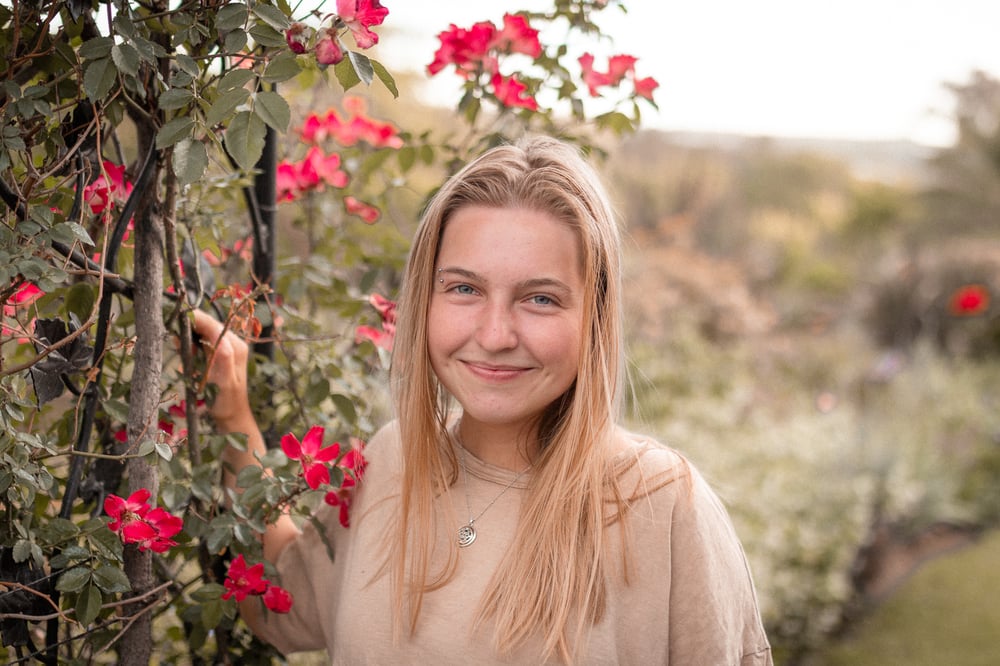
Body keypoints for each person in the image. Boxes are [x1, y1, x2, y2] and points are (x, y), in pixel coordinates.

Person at [191, 135, 772, 664]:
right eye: (464, 288)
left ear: (594, 317)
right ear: (425, 299)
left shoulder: (663, 506)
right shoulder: (393, 460)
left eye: (540, 299)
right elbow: (286, 602)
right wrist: (233, 417)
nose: (495, 335)